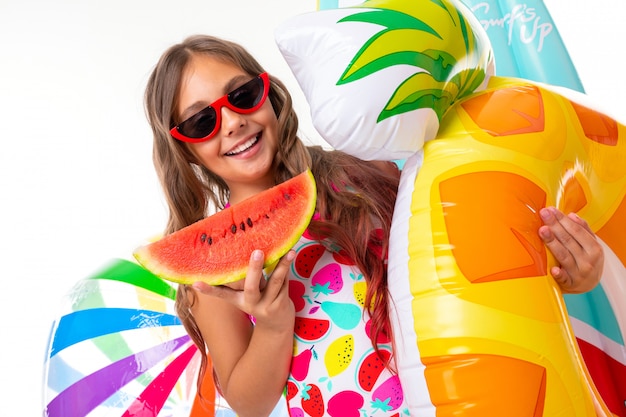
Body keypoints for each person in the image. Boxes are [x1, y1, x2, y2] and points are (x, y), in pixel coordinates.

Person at [143, 34, 604, 417]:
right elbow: (249, 402)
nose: (233, 122)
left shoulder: (364, 172)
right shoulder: (209, 279)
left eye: (242, 95)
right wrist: (273, 325)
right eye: (203, 120)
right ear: (182, 148)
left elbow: (466, 267)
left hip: (462, 398)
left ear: (268, 93)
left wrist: (572, 273)